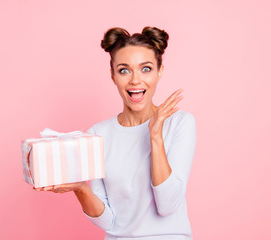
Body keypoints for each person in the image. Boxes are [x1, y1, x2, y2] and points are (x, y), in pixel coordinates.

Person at [36, 26, 197, 240]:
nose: (135, 80)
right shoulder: (98, 134)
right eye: (124, 70)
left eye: (146, 68)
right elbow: (108, 221)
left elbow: (167, 205)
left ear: (160, 71)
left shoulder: (179, 123)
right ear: (113, 76)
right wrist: (80, 188)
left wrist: (155, 135)